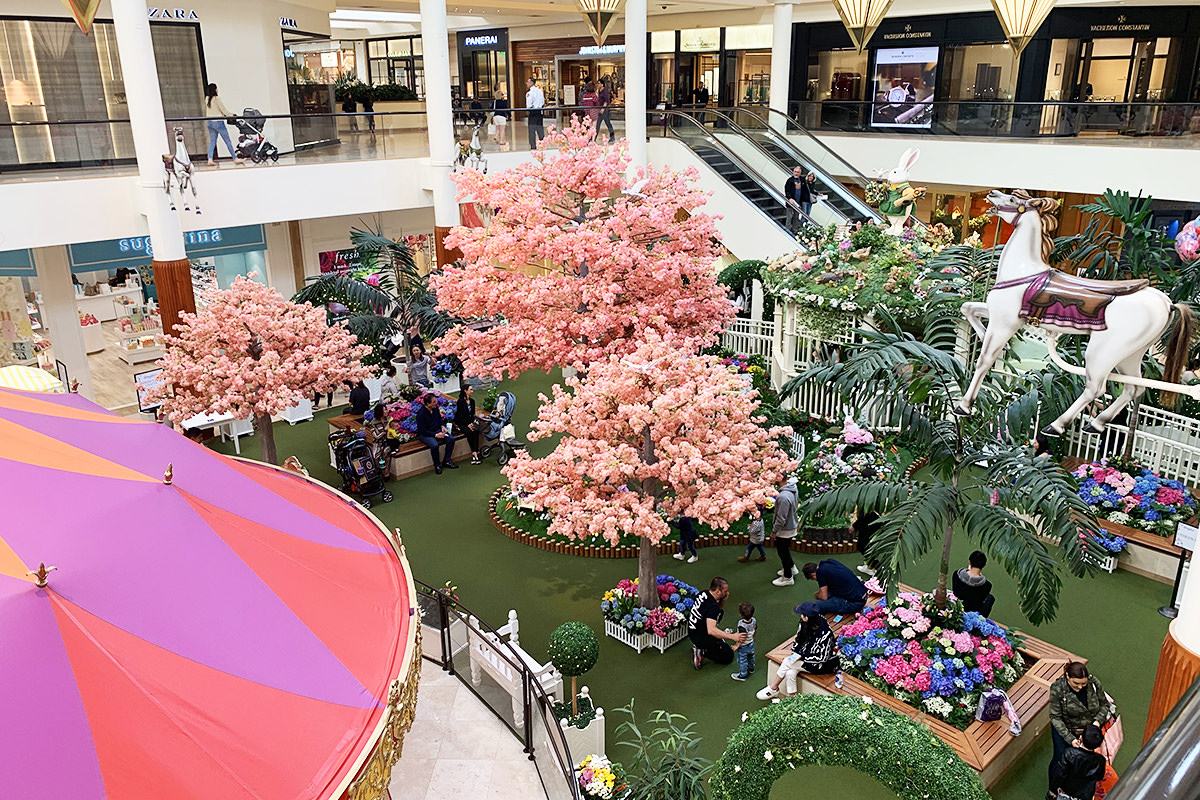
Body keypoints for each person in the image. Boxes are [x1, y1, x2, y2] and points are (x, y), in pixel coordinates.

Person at [1048, 662, 1113, 798]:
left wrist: (1096, 723)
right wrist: (1070, 739)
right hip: (1066, 729)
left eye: (1083, 683)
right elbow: (1055, 717)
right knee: (1060, 758)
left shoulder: (1094, 684)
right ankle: (1053, 791)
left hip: (1089, 733)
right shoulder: (1058, 688)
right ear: (1067, 676)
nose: (1080, 687)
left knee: (1086, 761)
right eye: (1076, 683)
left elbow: (1105, 705)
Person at [756, 602, 838, 700]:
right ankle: (793, 699)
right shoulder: (805, 622)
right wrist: (796, 651)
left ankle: (774, 687)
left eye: (802, 614)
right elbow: (799, 638)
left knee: (787, 662)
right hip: (805, 658)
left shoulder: (825, 633)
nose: (800, 616)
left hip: (819, 665)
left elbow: (822, 658)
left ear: (807, 617)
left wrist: (802, 656)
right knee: (790, 672)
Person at [687, 577, 745, 669]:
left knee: (719, 615)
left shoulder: (703, 593)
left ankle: (703, 645)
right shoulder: (713, 608)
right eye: (725, 591)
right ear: (718, 591)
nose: (727, 593)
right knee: (728, 655)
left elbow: (715, 611)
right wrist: (733, 636)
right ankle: (701, 651)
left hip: (692, 630)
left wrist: (724, 599)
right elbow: (711, 630)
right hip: (701, 637)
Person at [1049, 724, 1107, 800]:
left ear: (1081, 738)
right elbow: (1100, 777)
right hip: (1085, 796)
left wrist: (1052, 790)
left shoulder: (1069, 754)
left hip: (1066, 793)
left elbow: (1060, 774)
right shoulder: (1100, 760)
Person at [802, 558, 867, 615]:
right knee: (829, 594)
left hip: (855, 604)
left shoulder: (820, 573)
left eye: (813, 579)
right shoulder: (830, 562)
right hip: (862, 593)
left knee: (817, 605)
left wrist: (817, 595)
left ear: (813, 575)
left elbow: (823, 597)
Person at [415, 392, 458, 474]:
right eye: (434, 402)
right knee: (434, 445)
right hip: (426, 434)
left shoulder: (435, 409)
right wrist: (435, 435)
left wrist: (442, 427)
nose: (436, 403)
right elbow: (422, 430)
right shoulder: (420, 414)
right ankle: (437, 465)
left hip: (437, 430)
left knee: (451, 439)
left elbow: (439, 420)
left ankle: (447, 460)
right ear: (428, 404)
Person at [204, 83, 244, 166]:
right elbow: (224, 111)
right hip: (218, 122)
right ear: (214, 90)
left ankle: (210, 159)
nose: (218, 90)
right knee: (227, 141)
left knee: (212, 142)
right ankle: (235, 158)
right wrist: (232, 115)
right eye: (217, 88)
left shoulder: (207, 99)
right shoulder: (216, 99)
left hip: (209, 122)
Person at [771, 478, 799, 586]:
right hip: (791, 525)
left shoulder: (783, 497)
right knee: (785, 551)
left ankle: (788, 577)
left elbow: (781, 518)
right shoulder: (793, 487)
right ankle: (792, 568)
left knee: (782, 552)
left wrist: (774, 531)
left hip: (785, 529)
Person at [953, 550, 996, 617]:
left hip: (957, 606)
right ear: (984, 565)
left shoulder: (956, 574)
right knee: (990, 598)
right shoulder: (987, 586)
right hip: (973, 612)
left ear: (969, 562)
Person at [454, 383, 484, 465]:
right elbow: (460, 416)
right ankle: (474, 452)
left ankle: (475, 451)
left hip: (470, 421)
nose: (472, 391)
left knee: (476, 431)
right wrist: (468, 424)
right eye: (470, 389)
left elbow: (472, 414)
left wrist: (471, 423)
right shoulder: (460, 402)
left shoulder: (472, 401)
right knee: (469, 433)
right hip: (462, 423)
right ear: (465, 391)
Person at [731, 601, 756, 682]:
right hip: (751, 643)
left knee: (743, 661)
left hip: (743, 646)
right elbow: (755, 630)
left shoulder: (741, 624)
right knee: (751, 656)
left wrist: (736, 646)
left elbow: (742, 637)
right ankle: (751, 668)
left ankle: (743, 675)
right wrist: (752, 638)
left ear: (741, 614)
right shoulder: (754, 620)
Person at [783, 166, 814, 231]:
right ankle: (788, 230)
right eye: (795, 172)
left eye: (798, 172)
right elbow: (787, 190)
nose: (796, 173)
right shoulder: (790, 180)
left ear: (800, 173)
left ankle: (795, 230)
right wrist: (790, 198)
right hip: (791, 202)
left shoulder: (802, 180)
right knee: (789, 217)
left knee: (796, 217)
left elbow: (807, 189)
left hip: (799, 202)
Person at [526, 77, 545, 149]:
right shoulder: (540, 91)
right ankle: (542, 144)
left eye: (528, 82)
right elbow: (543, 102)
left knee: (532, 130)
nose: (527, 84)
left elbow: (529, 105)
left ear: (531, 83)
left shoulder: (529, 93)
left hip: (533, 112)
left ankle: (533, 146)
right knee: (540, 129)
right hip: (540, 111)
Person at [596, 77, 615, 143]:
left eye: (598, 83)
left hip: (605, 111)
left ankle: (612, 137)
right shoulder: (599, 91)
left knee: (608, 123)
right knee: (597, 124)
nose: (597, 85)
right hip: (599, 110)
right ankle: (593, 138)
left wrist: (603, 109)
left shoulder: (605, 91)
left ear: (602, 84)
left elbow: (606, 101)